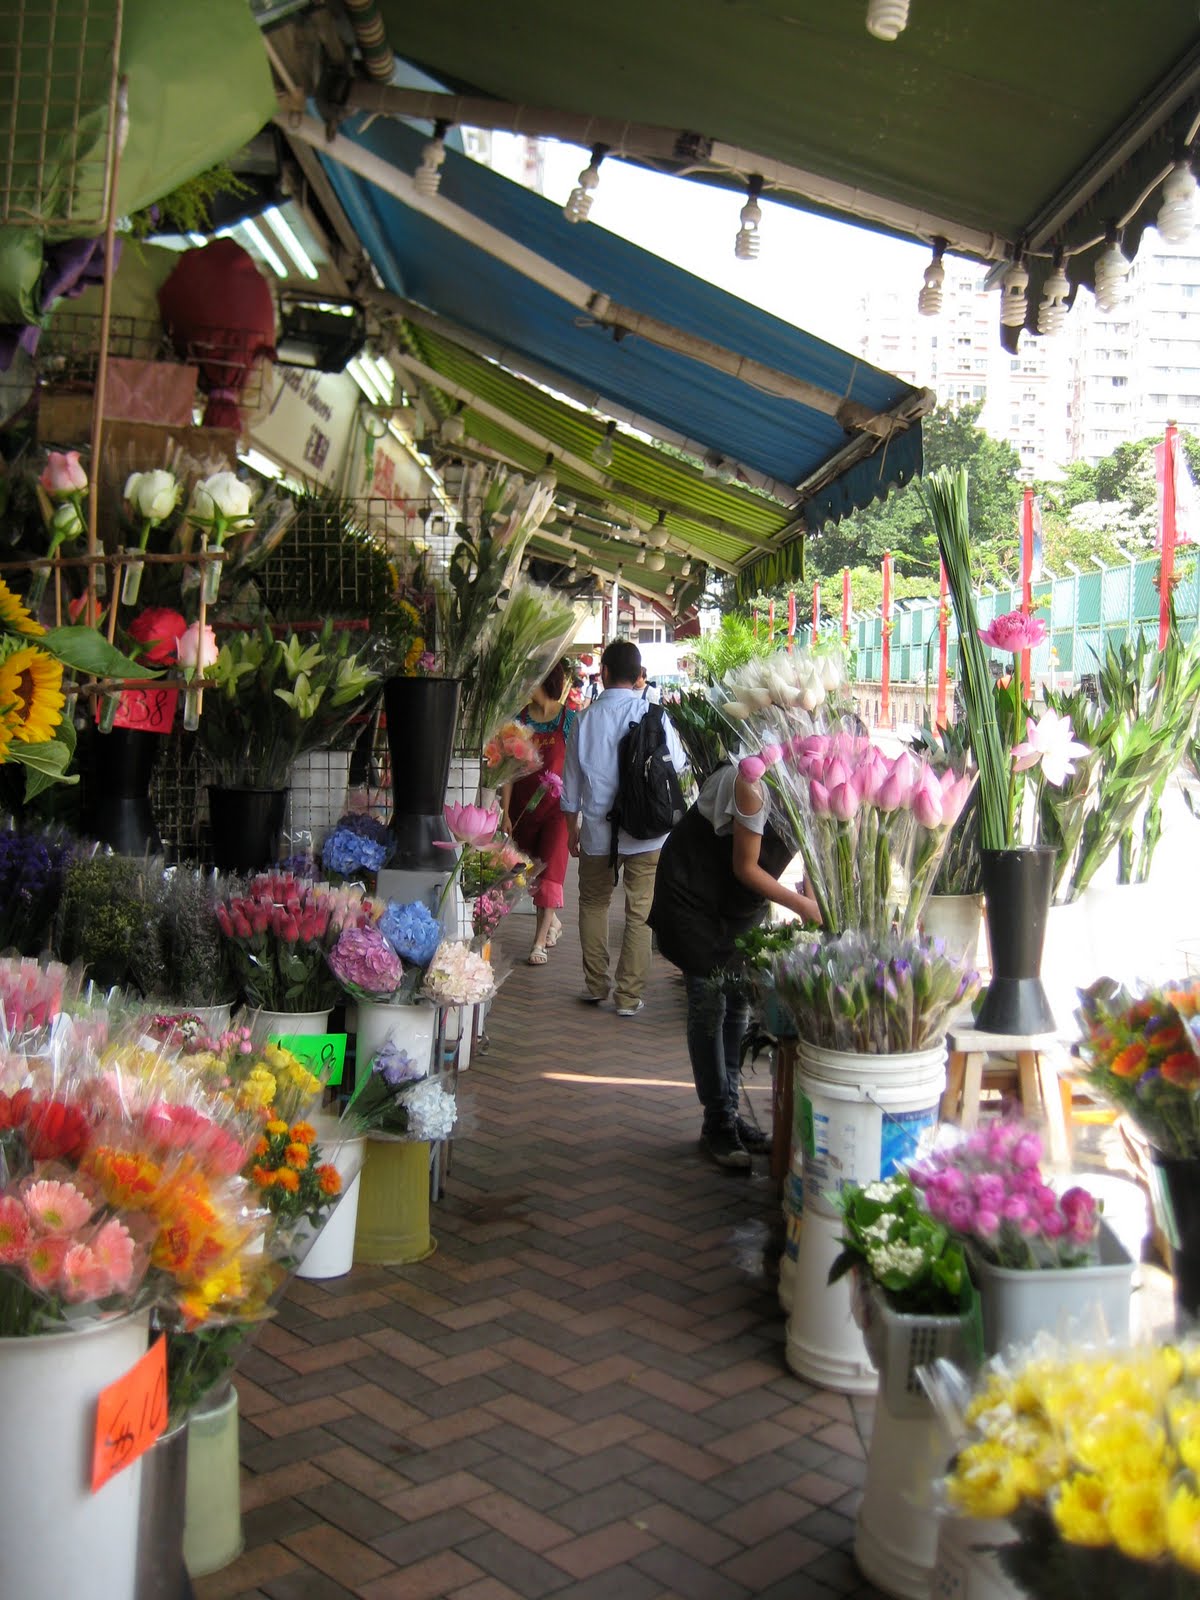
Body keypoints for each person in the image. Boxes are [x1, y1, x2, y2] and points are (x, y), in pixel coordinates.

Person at [650, 760, 820, 1169]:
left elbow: (815, 856)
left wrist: (817, 903)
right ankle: (718, 1121)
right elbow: (745, 866)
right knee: (709, 1002)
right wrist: (802, 906)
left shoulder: (821, 786)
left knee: (738, 1001)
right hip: (694, 890)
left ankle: (729, 1109)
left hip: (741, 903)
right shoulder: (753, 779)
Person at [561, 638, 686, 1016]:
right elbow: (676, 765)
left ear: (605, 673)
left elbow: (570, 787)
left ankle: (596, 984)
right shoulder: (656, 715)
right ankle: (629, 997)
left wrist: (572, 830)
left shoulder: (584, 720)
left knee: (594, 903)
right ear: (638, 677)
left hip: (599, 830)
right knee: (640, 910)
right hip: (648, 832)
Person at [499, 660, 576, 966]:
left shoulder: (570, 720)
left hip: (557, 811)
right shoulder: (517, 721)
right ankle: (552, 922)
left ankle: (539, 942)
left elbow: (578, 767)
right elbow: (506, 771)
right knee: (526, 875)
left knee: (551, 874)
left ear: (545, 681)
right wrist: (504, 812)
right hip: (521, 811)